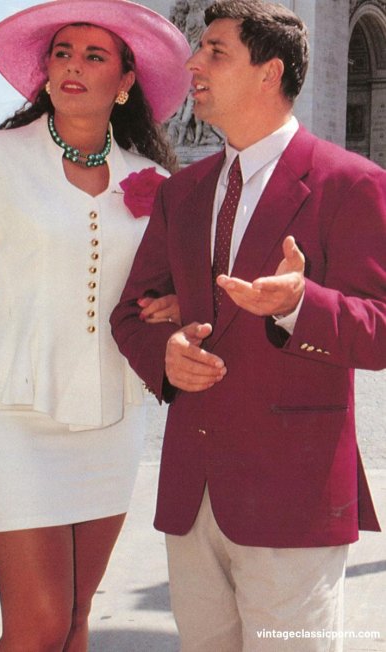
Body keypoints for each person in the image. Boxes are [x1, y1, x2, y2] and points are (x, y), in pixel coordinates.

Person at [111, 1, 386, 650]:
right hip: (193, 493)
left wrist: (299, 305)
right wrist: (166, 353)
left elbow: (379, 330)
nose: (192, 62)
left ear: (270, 72)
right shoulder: (182, 191)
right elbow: (132, 313)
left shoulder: (353, 183)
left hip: (295, 498)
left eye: (215, 51)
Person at [0, 1, 191, 649]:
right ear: (45, 71)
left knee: (74, 621)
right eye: (62, 53)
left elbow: (160, 300)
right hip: (11, 421)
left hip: (113, 425)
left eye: (94, 56)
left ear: (125, 81)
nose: (73, 66)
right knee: (38, 624)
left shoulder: (154, 180)